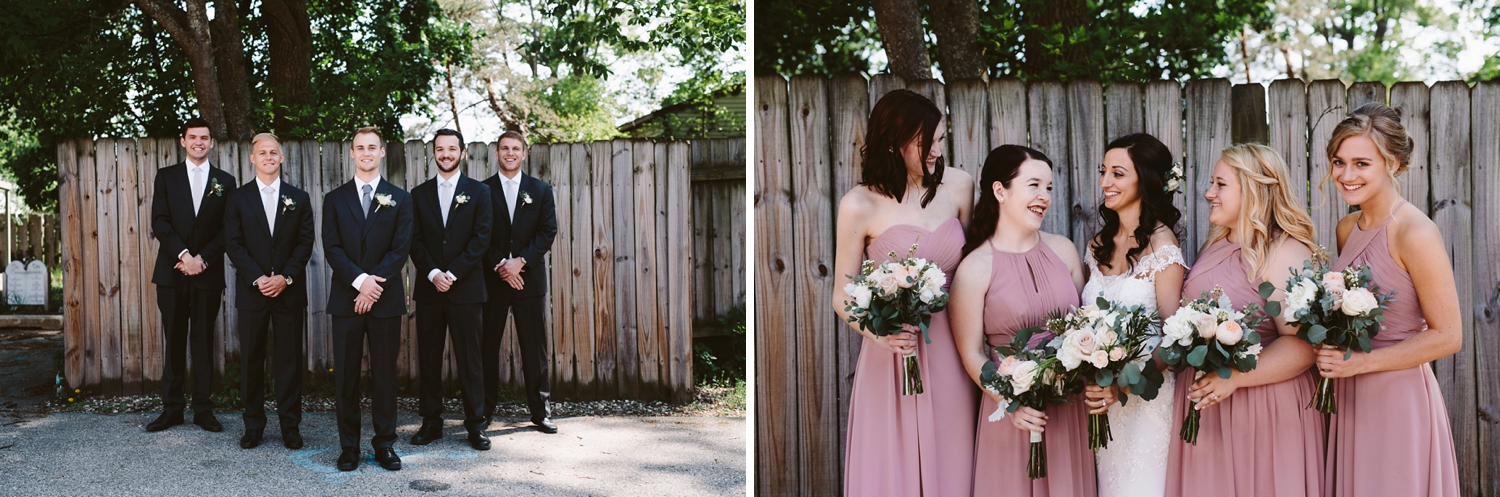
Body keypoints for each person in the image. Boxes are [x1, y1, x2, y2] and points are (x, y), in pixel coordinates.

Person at [832, 89, 976, 496]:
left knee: (952, 459)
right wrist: (882, 335)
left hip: (950, 347)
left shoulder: (959, 187)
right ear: (893, 142)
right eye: (924, 142)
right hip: (892, 353)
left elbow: (974, 267)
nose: (935, 150)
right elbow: (841, 294)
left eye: (940, 139)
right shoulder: (859, 204)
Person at [1163, 144, 1324, 496]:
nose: (1209, 193)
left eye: (1220, 185)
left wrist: (1235, 377)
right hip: (1210, 404)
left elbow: (1303, 345)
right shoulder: (1217, 245)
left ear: (1253, 189)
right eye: (1212, 184)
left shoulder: (1284, 252)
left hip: (1262, 406)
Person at [1319, 103, 1460, 497]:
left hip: (1398, 397)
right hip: (1352, 395)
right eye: (1339, 162)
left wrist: (1362, 364)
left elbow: (1448, 336)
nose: (1347, 175)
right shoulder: (1347, 227)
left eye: (1362, 163)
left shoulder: (1415, 232)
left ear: (1393, 164)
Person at [950, 145, 1094, 496]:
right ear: (1000, 191)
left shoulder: (1064, 251)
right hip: (1013, 414)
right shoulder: (975, 268)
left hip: (1070, 410)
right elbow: (971, 354)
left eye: (1048, 188)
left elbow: (1086, 326)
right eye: (1033, 185)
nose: (1044, 196)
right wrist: (1009, 402)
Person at [1084, 133, 1186, 497]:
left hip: (1145, 399)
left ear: (1145, 179)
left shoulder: (1162, 246)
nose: (1105, 183)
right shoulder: (1097, 246)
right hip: (1100, 401)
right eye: (1104, 172)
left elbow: (1175, 339)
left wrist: (1123, 385)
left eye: (1117, 173)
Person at [322, 126, 413, 471]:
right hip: (346, 300)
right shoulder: (334, 198)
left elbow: (400, 248)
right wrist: (360, 282)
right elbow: (332, 247)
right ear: (352, 153)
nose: (366, 152)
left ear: (382, 152)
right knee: (345, 376)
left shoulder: (400, 198)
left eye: (371, 147)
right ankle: (349, 447)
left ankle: (385, 444)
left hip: (385, 300)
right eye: (359, 147)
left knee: (384, 376)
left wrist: (373, 287)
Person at [222, 133, 316, 450]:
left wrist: (285, 277)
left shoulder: (299, 198)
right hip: (253, 292)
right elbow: (233, 243)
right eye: (262, 153)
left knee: (289, 361)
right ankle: (253, 426)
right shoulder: (237, 198)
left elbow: (305, 243)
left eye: (273, 152)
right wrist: (258, 278)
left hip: (288, 293)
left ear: (281, 157)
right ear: (253, 158)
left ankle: (290, 426)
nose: (268, 157)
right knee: (251, 360)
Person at [146, 117, 236, 434]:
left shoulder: (225, 181)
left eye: (204, 137)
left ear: (211, 143)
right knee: (173, 342)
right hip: (172, 273)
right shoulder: (166, 177)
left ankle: (203, 410)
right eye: (192, 137)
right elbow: (160, 222)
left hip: (207, 275)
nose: (198, 142)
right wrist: (185, 256)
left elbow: (229, 228)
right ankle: (171, 410)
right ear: (183, 141)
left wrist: (203, 259)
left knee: (202, 341)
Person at [409, 128, 494, 450]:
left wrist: (453, 272)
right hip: (430, 290)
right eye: (440, 149)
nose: (446, 154)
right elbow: (413, 240)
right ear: (434, 153)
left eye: (451, 148)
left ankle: (475, 424)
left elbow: (481, 239)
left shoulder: (479, 192)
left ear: (462, 153)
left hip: (466, 289)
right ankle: (431, 422)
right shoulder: (419, 194)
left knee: (471, 360)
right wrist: (432, 272)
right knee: (429, 358)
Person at [481, 130, 558, 433]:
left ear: (524, 154)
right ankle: (484, 410)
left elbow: (547, 231)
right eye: (504, 148)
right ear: (496, 153)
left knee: (534, 347)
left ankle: (541, 412)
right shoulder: (482, 191)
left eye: (515, 149)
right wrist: (502, 264)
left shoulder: (540, 190)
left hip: (529, 281)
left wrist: (520, 262)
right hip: (493, 281)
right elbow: (479, 235)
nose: (510, 153)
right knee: (487, 347)